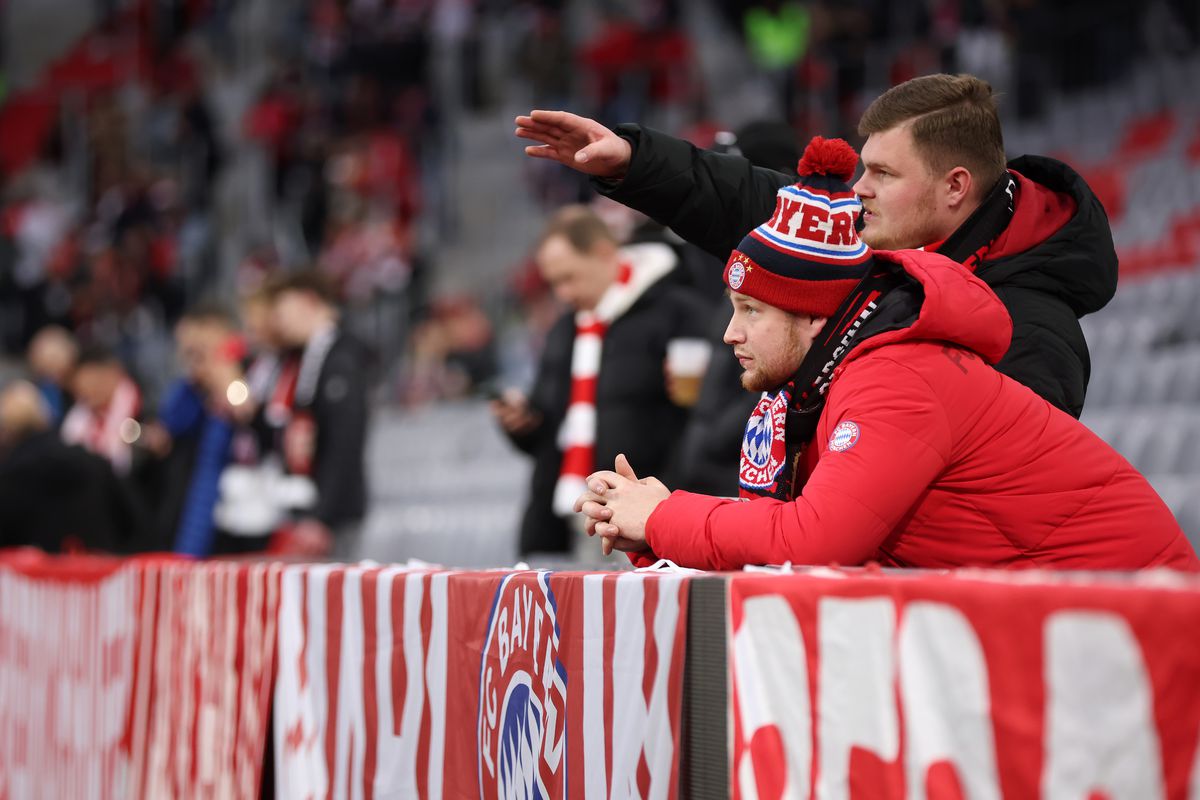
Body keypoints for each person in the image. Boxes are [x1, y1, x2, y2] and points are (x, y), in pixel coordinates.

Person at [573, 137, 1199, 573]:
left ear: (814, 315)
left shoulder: (894, 375)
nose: (730, 335)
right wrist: (651, 531)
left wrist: (665, 516)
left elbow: (814, 543)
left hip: (1135, 620)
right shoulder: (834, 378)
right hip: (1069, 617)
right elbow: (791, 548)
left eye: (752, 312)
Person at [516, 73, 1116, 418]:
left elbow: (997, 496)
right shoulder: (877, 234)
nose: (859, 189)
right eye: (864, 168)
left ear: (955, 186)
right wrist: (632, 160)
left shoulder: (1034, 331)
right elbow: (743, 197)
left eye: (883, 174)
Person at [492, 205, 709, 557]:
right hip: (568, 516)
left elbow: (704, 416)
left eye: (569, 278)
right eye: (554, 283)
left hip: (645, 519)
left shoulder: (677, 311)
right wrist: (523, 424)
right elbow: (552, 432)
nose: (562, 294)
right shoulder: (565, 328)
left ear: (604, 253)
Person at [267, 270, 370, 560]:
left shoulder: (341, 357)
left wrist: (322, 515)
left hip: (333, 517)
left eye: (283, 311)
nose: (278, 322)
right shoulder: (303, 359)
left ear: (308, 301)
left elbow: (345, 440)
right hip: (310, 507)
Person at [0, 380, 147, 554]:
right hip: (102, 564)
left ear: (5, 433)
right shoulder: (93, 461)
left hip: (44, 570)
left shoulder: (10, 477)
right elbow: (136, 519)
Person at [60, 346, 142, 475]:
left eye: (95, 383)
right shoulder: (75, 421)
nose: (86, 392)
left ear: (113, 374)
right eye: (81, 387)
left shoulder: (144, 410)